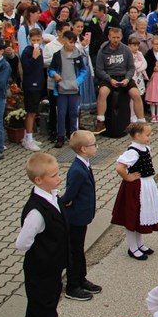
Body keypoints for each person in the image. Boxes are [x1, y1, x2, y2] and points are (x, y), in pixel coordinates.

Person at [15, 152, 68, 317]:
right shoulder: (36, 212)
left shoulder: (53, 196)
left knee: (49, 312)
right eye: (53, 176)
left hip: (52, 269)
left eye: (58, 173)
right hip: (40, 272)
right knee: (39, 316)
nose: (59, 178)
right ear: (38, 180)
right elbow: (22, 243)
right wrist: (43, 252)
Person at [59, 130, 102, 303]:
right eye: (94, 144)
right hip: (75, 218)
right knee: (74, 252)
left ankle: (81, 278)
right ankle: (72, 285)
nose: (97, 146)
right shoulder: (77, 170)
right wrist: (61, 203)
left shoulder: (85, 163)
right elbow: (69, 195)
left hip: (82, 216)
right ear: (84, 149)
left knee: (79, 249)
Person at [111, 122, 158, 260]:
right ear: (138, 135)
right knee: (133, 216)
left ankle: (139, 244)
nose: (150, 137)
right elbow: (119, 168)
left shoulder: (145, 148)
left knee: (140, 216)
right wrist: (128, 177)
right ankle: (132, 247)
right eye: (147, 135)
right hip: (136, 187)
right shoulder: (133, 152)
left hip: (146, 185)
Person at [94, 27, 145, 132]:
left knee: (136, 94)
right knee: (102, 92)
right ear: (109, 37)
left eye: (118, 37)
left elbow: (131, 68)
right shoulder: (102, 51)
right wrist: (109, 79)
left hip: (124, 77)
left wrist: (127, 79)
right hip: (109, 77)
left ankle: (141, 122)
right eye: (113, 37)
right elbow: (99, 70)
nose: (116, 40)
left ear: (121, 37)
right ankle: (100, 121)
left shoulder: (126, 49)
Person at [49, 31, 87, 147]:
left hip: (74, 90)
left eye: (74, 43)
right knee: (61, 113)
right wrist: (55, 74)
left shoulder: (78, 55)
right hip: (61, 90)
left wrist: (77, 82)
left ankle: (74, 135)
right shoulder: (57, 55)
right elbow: (51, 69)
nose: (72, 45)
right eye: (70, 42)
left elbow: (83, 70)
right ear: (64, 41)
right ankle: (60, 136)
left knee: (74, 113)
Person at [20, 28, 46, 152]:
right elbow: (26, 68)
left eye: (38, 40)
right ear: (29, 40)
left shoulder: (40, 50)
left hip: (38, 84)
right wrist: (34, 58)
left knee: (34, 111)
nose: (36, 42)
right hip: (30, 85)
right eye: (33, 40)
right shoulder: (27, 51)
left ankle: (28, 136)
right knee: (30, 112)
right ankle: (28, 140)